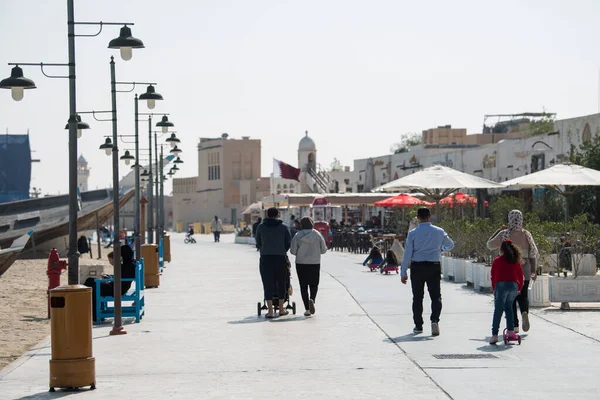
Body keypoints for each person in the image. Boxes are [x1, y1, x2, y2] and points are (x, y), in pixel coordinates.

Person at [401, 207, 454, 336]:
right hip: (434, 266)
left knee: (418, 297)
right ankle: (435, 320)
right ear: (430, 216)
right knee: (436, 296)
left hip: (417, 267)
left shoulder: (412, 233)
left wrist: (403, 272)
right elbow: (450, 245)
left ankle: (418, 326)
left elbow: (407, 253)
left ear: (418, 217)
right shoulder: (439, 231)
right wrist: (441, 247)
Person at [487, 209, 539, 333]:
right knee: (523, 295)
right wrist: (533, 270)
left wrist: (498, 231)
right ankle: (524, 312)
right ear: (521, 219)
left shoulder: (504, 234)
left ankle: (515, 326)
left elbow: (489, 245)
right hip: (525, 269)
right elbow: (533, 253)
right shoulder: (527, 234)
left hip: (509, 270)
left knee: (511, 300)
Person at [255, 207, 292, 318]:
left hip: (266, 258)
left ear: (267, 215)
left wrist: (265, 248)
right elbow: (288, 242)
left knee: (267, 283)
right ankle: (281, 308)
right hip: (280, 258)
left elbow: (258, 242)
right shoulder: (284, 227)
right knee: (281, 282)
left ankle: (270, 310)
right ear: (278, 214)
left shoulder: (261, 227)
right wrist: (281, 250)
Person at [84, 244, 136, 321]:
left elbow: (121, 279)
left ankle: (94, 315)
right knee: (90, 280)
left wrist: (108, 281)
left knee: (92, 288)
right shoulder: (129, 263)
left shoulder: (125, 266)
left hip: (117, 289)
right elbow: (121, 278)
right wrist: (109, 279)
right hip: (117, 286)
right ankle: (91, 313)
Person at [290, 216, 327, 316]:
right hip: (315, 262)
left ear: (301, 225)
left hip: (301, 263)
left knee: (303, 286)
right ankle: (312, 299)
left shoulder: (298, 235)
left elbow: (293, 251)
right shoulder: (317, 234)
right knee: (314, 284)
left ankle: (307, 309)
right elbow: (324, 250)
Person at [490, 240, 524, 344]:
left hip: (501, 285)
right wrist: (519, 288)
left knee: (498, 310)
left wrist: (494, 288)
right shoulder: (515, 261)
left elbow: (493, 275)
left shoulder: (497, 260)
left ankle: (495, 335)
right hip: (513, 285)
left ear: (501, 249)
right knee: (509, 308)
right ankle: (511, 331)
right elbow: (520, 275)